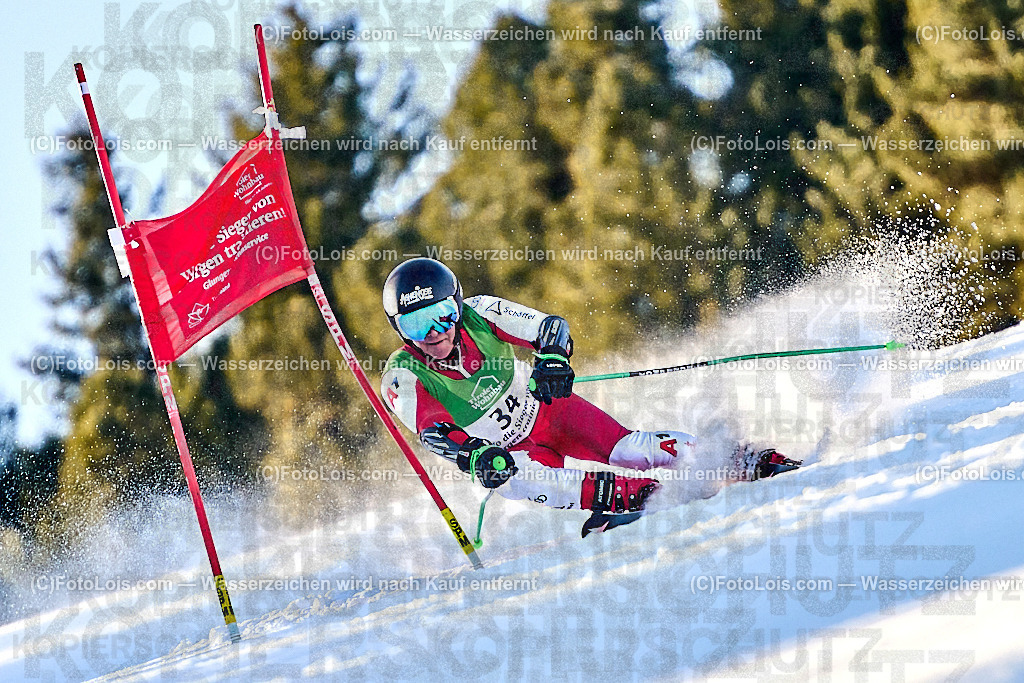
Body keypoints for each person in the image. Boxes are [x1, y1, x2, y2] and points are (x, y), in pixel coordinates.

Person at [379, 258, 799, 536]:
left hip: (548, 411)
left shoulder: (481, 312)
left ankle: (741, 460)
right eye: (417, 325)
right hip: (509, 453)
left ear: (456, 305)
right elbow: (433, 431)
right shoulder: (402, 374)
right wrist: (474, 455)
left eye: (441, 314)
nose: (435, 332)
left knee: (629, 448)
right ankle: (639, 497)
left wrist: (552, 360)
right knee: (515, 480)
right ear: (399, 329)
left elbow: (550, 328)